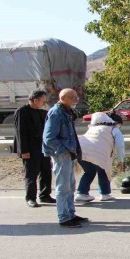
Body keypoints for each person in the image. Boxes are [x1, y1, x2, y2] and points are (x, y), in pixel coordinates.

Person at [42, 88, 87, 228]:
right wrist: (63, 151)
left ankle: (71, 213)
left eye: (76, 97)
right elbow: (48, 138)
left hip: (69, 154)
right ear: (64, 98)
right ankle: (64, 217)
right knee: (63, 187)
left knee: (70, 186)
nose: (76, 100)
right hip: (61, 155)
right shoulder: (56, 113)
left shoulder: (66, 112)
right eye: (73, 97)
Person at [13, 89, 54, 208]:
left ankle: (45, 195)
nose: (44, 103)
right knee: (31, 174)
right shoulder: (22, 111)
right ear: (35, 100)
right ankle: (30, 198)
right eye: (42, 101)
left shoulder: (42, 112)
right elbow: (20, 132)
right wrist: (24, 151)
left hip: (42, 148)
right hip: (29, 149)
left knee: (46, 171)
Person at [75, 112, 126, 203]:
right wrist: (121, 161)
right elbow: (120, 146)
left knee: (89, 172)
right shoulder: (114, 129)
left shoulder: (93, 128)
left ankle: (81, 193)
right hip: (99, 153)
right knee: (104, 171)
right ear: (118, 123)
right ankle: (104, 194)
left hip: (80, 151)